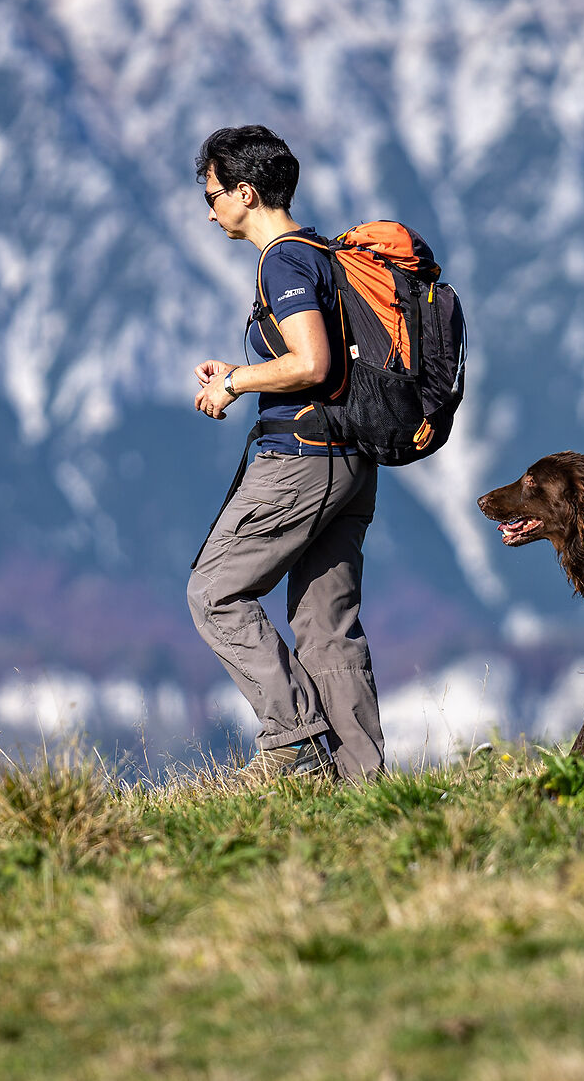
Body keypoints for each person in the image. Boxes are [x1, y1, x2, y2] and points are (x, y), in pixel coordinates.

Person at [186, 125, 384, 782]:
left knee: (214, 592)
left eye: (212, 195)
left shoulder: (283, 261)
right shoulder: (323, 255)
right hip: (350, 462)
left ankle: (294, 742)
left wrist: (238, 382)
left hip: (301, 459)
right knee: (327, 626)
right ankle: (362, 788)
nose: (209, 209)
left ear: (246, 193)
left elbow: (312, 361)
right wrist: (243, 367)